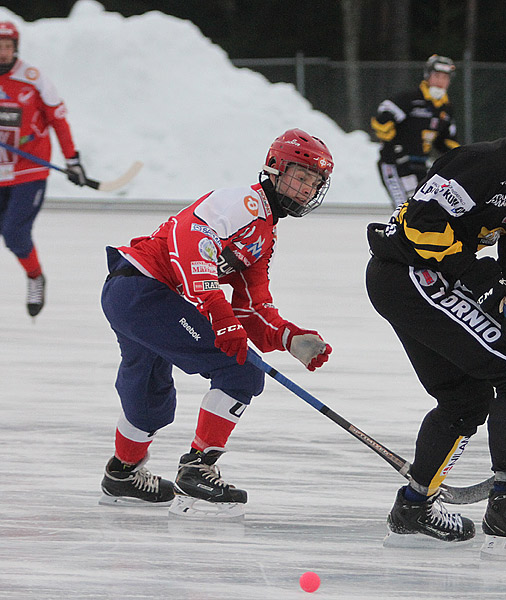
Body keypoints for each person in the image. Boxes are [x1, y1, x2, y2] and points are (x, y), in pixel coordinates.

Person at [365, 66, 506, 555]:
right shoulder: (487, 161)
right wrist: (482, 283)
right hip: (408, 275)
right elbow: (420, 226)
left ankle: (414, 506)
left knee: (467, 400)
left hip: (426, 279)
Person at [99, 129, 334, 518]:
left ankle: (121, 475)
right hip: (145, 290)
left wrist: (289, 337)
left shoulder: (263, 236)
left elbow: (252, 308)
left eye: (314, 183)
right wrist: (215, 310)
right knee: (240, 370)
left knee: (148, 401)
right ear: (274, 168)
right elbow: (188, 237)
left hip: (131, 296)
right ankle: (198, 468)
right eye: (300, 175)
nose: (306, 188)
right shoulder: (241, 202)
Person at [0, 21, 89, 317]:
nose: (2, 52)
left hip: (29, 168)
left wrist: (72, 159)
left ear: (16, 48)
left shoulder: (33, 79)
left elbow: (58, 119)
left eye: (7, 46)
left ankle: (35, 276)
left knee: (14, 234)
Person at [371, 54, 460, 209]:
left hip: (420, 165)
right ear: (427, 76)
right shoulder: (411, 100)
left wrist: (461, 159)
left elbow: (447, 142)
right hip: (395, 164)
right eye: (437, 76)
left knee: (422, 209)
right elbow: (382, 120)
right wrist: (394, 150)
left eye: (445, 78)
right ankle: (395, 233)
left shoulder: (446, 108)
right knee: (403, 208)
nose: (440, 82)